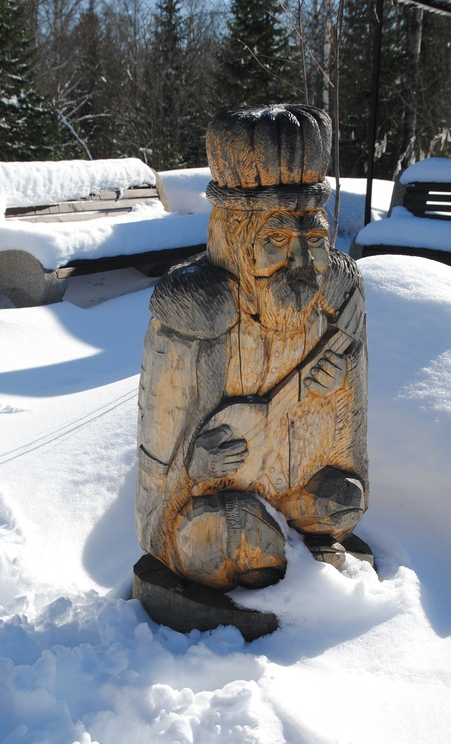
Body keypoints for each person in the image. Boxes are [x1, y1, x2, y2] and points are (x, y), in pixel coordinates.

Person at [136, 105, 368, 591]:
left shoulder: (338, 294)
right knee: (215, 540)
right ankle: (283, 567)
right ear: (238, 242)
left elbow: (351, 447)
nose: (303, 260)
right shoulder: (196, 312)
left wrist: (336, 391)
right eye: (277, 238)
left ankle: (290, 555)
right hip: (210, 497)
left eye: (314, 237)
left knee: (343, 502)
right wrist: (193, 466)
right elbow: (157, 460)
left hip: (298, 485)